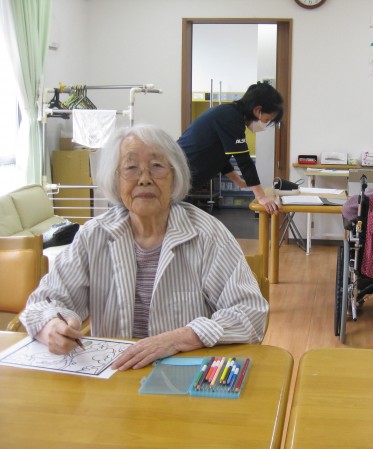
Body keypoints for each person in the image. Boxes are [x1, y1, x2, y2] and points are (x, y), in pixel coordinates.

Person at [20, 124, 269, 370]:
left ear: (175, 176)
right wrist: (52, 326)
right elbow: (42, 303)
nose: (144, 179)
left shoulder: (207, 234)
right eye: (130, 168)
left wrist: (179, 338)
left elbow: (250, 313)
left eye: (157, 166)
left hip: (185, 376)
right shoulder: (94, 235)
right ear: (115, 179)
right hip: (113, 374)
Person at [178, 81, 283, 215]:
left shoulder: (229, 114)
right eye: (266, 120)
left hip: (182, 181)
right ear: (257, 110)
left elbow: (220, 157)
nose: (264, 124)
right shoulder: (230, 118)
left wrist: (239, 181)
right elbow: (244, 161)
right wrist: (261, 196)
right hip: (174, 176)